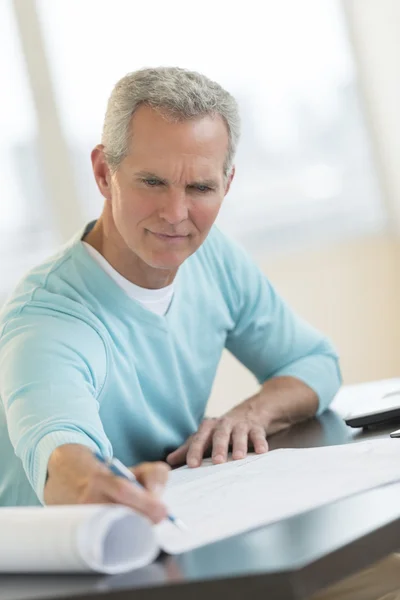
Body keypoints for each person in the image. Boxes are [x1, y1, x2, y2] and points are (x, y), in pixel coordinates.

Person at [0, 67, 341, 521]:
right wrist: (94, 484)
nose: (176, 214)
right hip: (62, 572)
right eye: (152, 182)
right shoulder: (47, 318)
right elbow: (63, 457)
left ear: (227, 185)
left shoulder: (214, 257)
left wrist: (252, 414)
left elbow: (315, 363)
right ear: (104, 173)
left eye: (200, 187)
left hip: (169, 533)